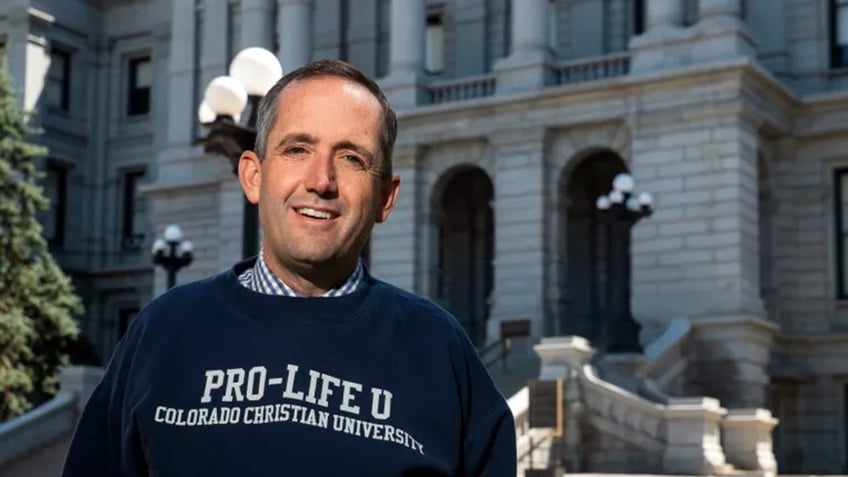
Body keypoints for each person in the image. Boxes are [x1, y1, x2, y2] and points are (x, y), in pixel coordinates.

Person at [61, 59, 516, 476]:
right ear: (253, 176)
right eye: (298, 149)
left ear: (384, 198)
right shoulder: (164, 332)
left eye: (351, 158)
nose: (321, 181)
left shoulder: (439, 350)